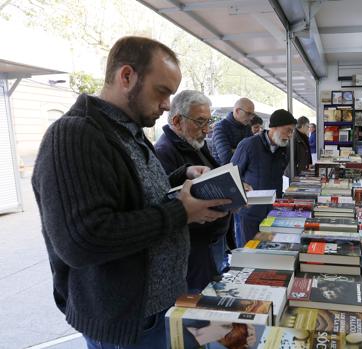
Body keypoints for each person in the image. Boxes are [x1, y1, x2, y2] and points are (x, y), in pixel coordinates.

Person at [31, 36, 232, 348]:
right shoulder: (75, 135)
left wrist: (182, 175)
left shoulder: (128, 133)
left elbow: (138, 199)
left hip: (159, 311)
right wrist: (181, 211)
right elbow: (83, 239)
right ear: (127, 76)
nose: (167, 104)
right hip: (128, 325)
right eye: (162, 91)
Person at [154, 90, 236, 291]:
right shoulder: (164, 152)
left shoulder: (195, 144)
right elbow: (169, 204)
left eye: (209, 122)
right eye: (200, 122)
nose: (207, 130)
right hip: (194, 251)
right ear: (177, 121)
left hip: (212, 241)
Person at [231, 109, 296, 246]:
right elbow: (232, 175)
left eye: (292, 131)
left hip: (272, 212)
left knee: (267, 252)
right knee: (248, 250)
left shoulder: (283, 149)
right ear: (274, 127)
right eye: (287, 130)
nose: (290, 135)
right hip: (250, 213)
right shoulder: (248, 145)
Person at [211, 97, 255, 165]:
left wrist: (234, 150)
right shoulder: (220, 127)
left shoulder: (247, 128)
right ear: (237, 111)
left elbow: (254, 152)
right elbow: (227, 159)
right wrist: (245, 150)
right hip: (221, 171)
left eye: (252, 114)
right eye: (248, 114)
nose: (251, 118)